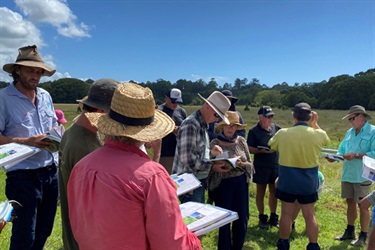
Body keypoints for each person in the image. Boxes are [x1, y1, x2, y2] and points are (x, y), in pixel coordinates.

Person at [67, 82, 201, 249]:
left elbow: (78, 226)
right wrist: (194, 240)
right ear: (147, 133)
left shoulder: (81, 167)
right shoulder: (152, 176)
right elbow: (172, 244)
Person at [0, 45, 59, 249]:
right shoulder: (3, 98)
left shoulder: (45, 96)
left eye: (38, 71)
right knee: (25, 235)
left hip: (50, 172)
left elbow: (52, 124)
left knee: (45, 230)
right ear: (17, 70)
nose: (35, 75)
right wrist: (27, 141)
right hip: (22, 176)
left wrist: (56, 135)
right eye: (30, 70)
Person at [58, 78, 120, 250]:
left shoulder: (75, 131)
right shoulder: (84, 147)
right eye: (113, 114)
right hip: (86, 239)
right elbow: (96, 204)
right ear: (100, 112)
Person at [268, 102, 330, 250]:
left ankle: (283, 243)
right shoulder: (319, 134)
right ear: (310, 116)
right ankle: (313, 245)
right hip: (308, 182)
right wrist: (315, 124)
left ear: (293, 116)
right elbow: (326, 141)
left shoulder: (283, 133)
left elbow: (271, 145)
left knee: (286, 214)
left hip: (288, 180)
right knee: (310, 215)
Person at [172, 91, 232, 203]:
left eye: (219, 116)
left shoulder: (202, 125)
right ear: (207, 106)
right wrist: (212, 166)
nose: (217, 120)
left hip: (196, 182)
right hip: (189, 186)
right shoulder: (191, 124)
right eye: (216, 115)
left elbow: (196, 152)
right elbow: (187, 160)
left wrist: (209, 153)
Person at [207, 111, 253, 250]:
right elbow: (207, 165)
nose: (230, 128)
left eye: (234, 126)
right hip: (223, 185)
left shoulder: (242, 141)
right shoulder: (214, 143)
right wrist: (216, 166)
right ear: (221, 127)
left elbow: (251, 164)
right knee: (224, 220)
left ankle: (237, 247)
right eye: (227, 125)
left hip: (240, 184)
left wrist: (241, 164)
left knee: (242, 217)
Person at [332, 105, 375, 247]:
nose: (350, 122)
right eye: (349, 119)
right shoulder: (349, 132)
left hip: (363, 175)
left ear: (362, 117)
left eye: (352, 118)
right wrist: (335, 157)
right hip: (348, 174)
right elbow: (342, 150)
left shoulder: (373, 131)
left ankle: (363, 235)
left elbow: (374, 153)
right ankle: (350, 231)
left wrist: (356, 155)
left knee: (363, 204)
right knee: (349, 202)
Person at [247, 105, 281, 229]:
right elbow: (249, 148)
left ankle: (273, 216)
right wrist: (260, 151)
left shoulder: (276, 128)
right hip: (261, 166)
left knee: (274, 191)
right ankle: (262, 216)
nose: (270, 119)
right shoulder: (253, 131)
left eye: (271, 116)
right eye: (268, 117)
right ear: (261, 118)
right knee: (260, 191)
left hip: (274, 164)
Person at [158, 88, 187, 173]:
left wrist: (180, 130)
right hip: (166, 154)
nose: (176, 104)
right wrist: (169, 129)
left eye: (178, 102)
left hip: (180, 153)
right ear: (166, 97)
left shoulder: (181, 111)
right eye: (173, 101)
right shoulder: (159, 111)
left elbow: (185, 127)